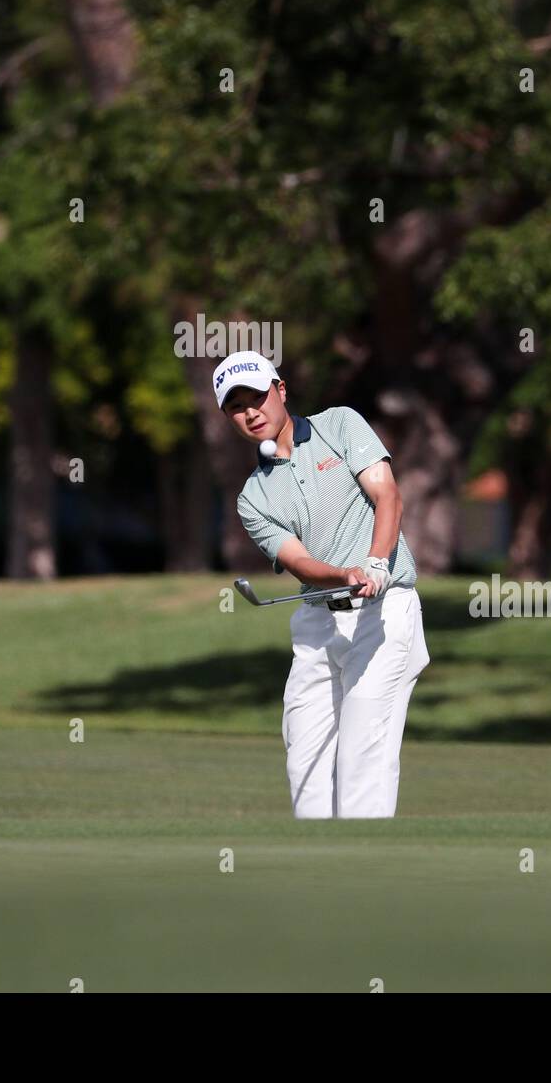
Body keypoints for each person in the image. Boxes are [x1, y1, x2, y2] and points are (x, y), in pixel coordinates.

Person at [213, 350, 430, 819]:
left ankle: (364, 881)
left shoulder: (340, 425)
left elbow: (387, 494)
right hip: (317, 628)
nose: (251, 412)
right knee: (305, 765)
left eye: (258, 397)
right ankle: (315, 877)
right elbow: (301, 563)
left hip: (382, 616)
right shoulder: (253, 497)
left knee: (361, 761)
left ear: (281, 391)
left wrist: (373, 562)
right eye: (236, 405)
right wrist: (343, 575)